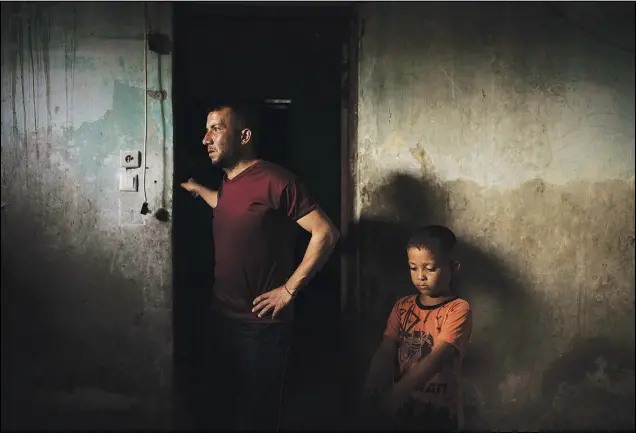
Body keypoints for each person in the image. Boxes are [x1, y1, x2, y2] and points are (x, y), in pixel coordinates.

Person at [180, 102, 340, 431]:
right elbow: (231, 208)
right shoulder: (228, 182)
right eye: (206, 129)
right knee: (221, 408)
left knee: (257, 418)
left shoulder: (276, 180)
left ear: (244, 135)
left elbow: (325, 232)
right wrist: (201, 191)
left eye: (216, 128)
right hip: (221, 316)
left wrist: (289, 289)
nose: (205, 138)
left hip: (261, 327)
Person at [361, 225, 472, 431]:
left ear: (454, 267)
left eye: (429, 269)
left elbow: (437, 357)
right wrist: (371, 387)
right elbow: (386, 349)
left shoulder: (458, 309)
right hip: (404, 411)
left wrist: (396, 393)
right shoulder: (403, 306)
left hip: (441, 413)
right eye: (413, 268)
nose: (420, 276)